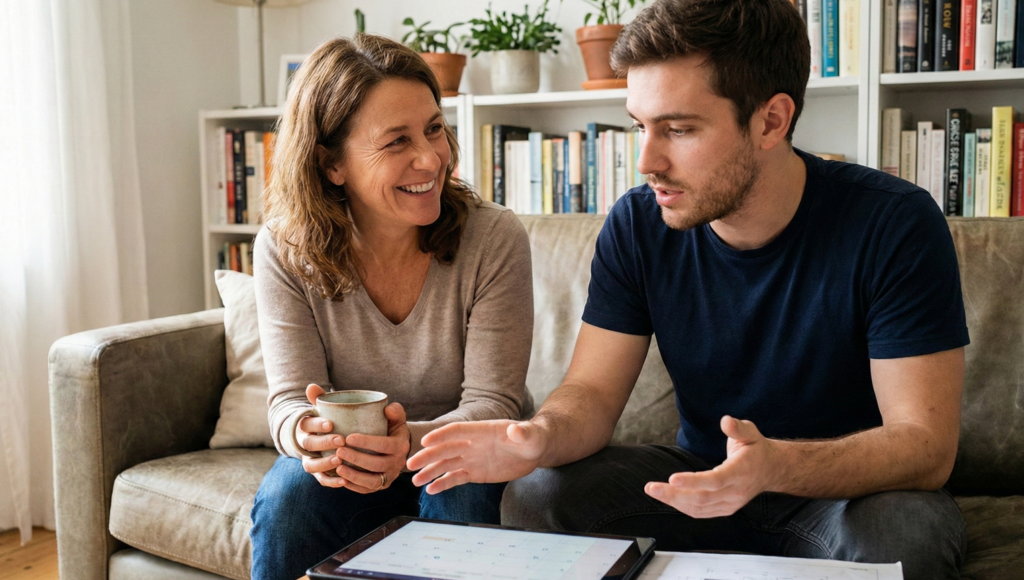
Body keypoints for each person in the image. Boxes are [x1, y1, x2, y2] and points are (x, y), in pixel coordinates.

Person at [406, 1, 968, 578]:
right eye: (639, 126)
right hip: (697, 484)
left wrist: (773, 466)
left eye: (679, 129)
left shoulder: (894, 223)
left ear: (772, 121)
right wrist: (538, 436)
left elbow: (925, 446)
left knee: (908, 536)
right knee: (537, 492)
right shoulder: (637, 224)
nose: (648, 160)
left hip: (846, 496)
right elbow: (593, 394)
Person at [249, 34, 534, 580]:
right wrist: (304, 434)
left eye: (433, 129)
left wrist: (406, 443)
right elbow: (289, 400)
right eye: (396, 141)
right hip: (348, 468)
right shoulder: (284, 249)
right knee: (289, 492)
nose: (431, 158)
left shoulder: (493, 237)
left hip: (455, 455)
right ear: (332, 164)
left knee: (460, 478)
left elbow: (494, 402)